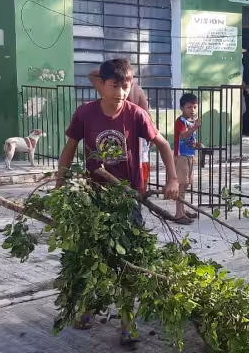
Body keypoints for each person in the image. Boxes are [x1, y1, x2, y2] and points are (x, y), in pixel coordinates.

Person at [57, 58, 179, 347]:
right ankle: (88, 307)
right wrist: (60, 185)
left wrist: (173, 179)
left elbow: (162, 144)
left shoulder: (136, 114)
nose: (121, 92)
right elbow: (69, 149)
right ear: (100, 84)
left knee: (128, 262)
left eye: (126, 86)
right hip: (92, 197)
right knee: (91, 256)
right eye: (115, 86)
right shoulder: (85, 113)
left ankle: (127, 321)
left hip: (128, 199)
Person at [89, 69, 153, 193]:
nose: (120, 92)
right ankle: (138, 189)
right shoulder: (132, 90)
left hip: (134, 132)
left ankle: (139, 189)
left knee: (136, 163)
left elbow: (145, 114)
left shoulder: (134, 94)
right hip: (120, 133)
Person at [173, 93, 201, 225]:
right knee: (181, 184)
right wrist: (195, 127)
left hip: (189, 156)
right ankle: (179, 213)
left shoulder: (190, 122)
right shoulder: (181, 121)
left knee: (185, 185)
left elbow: (189, 139)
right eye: (189, 107)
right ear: (182, 108)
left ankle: (183, 210)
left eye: (195, 107)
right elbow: (183, 136)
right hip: (181, 156)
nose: (193, 110)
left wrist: (196, 144)